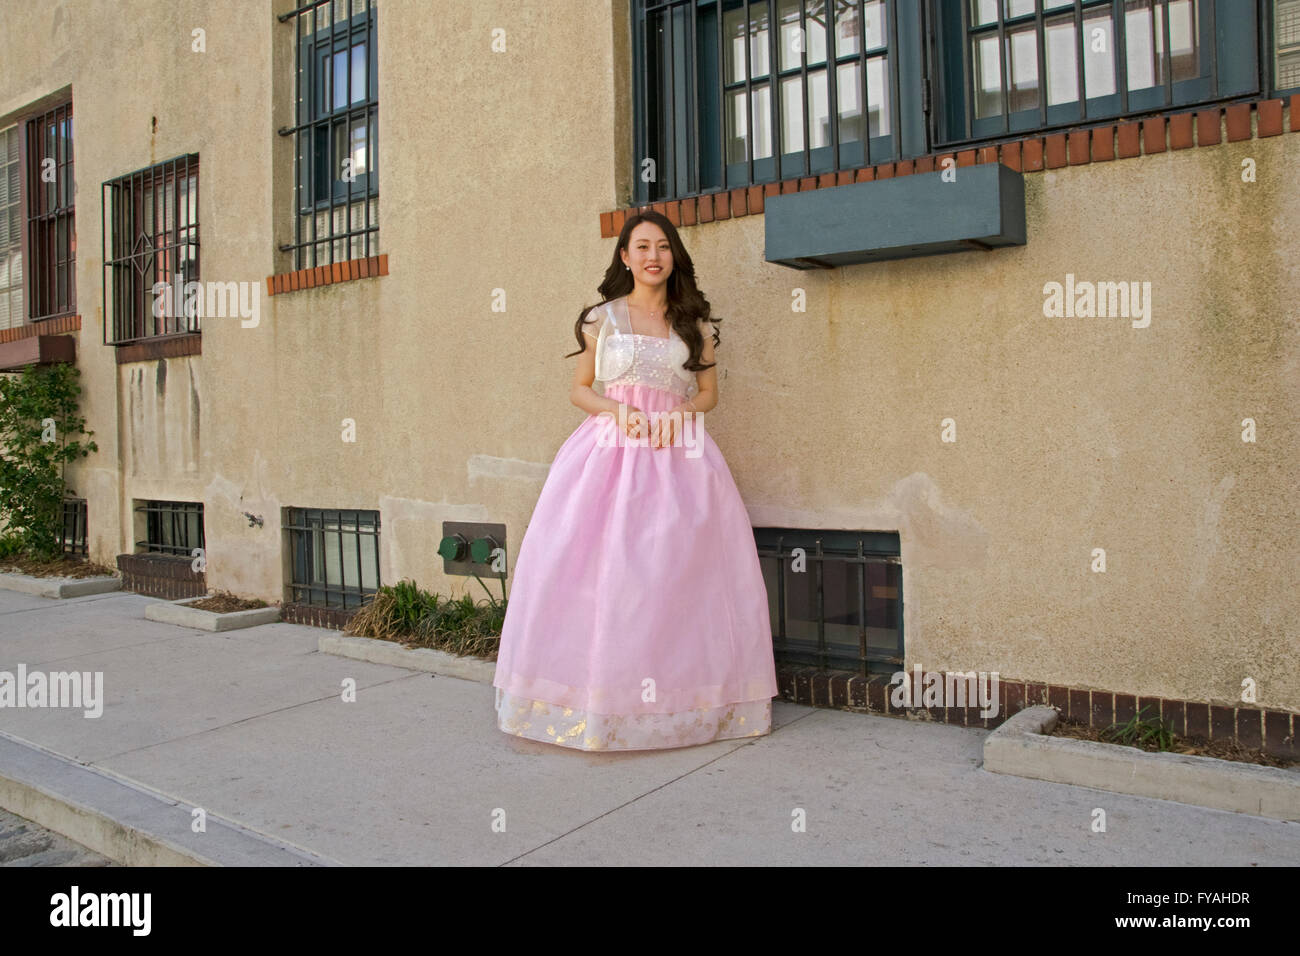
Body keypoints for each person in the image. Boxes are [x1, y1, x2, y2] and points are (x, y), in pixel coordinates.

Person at [491, 210, 778, 751]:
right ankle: (596, 702)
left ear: (674, 257)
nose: (653, 256)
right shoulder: (600, 319)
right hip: (607, 455)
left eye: (663, 246)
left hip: (679, 455)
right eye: (642, 246)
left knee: (674, 575)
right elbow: (580, 389)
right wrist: (616, 412)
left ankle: (683, 705)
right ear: (625, 257)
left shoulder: (695, 324)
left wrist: (684, 411)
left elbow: (710, 395)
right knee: (597, 573)